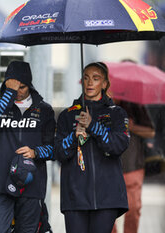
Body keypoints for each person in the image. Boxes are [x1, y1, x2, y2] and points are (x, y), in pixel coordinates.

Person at [55, 62, 130, 233]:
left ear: (104, 84)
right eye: (86, 78)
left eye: (96, 79)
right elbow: (59, 153)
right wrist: (74, 137)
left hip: (108, 197)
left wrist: (93, 126)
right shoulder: (67, 115)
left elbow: (119, 146)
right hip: (75, 196)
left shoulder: (117, 113)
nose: (90, 83)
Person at [0, 61, 56, 233]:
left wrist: (35, 152)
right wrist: (9, 93)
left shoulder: (44, 109)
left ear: (29, 85)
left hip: (32, 185)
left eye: (22, 87)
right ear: (6, 85)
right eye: (13, 87)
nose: (18, 92)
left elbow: (54, 149)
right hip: (0, 183)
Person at [111, 101, 155, 233]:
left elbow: (151, 132)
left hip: (133, 166)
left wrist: (132, 126)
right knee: (106, 212)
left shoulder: (135, 105)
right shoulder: (100, 105)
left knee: (134, 208)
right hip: (107, 167)